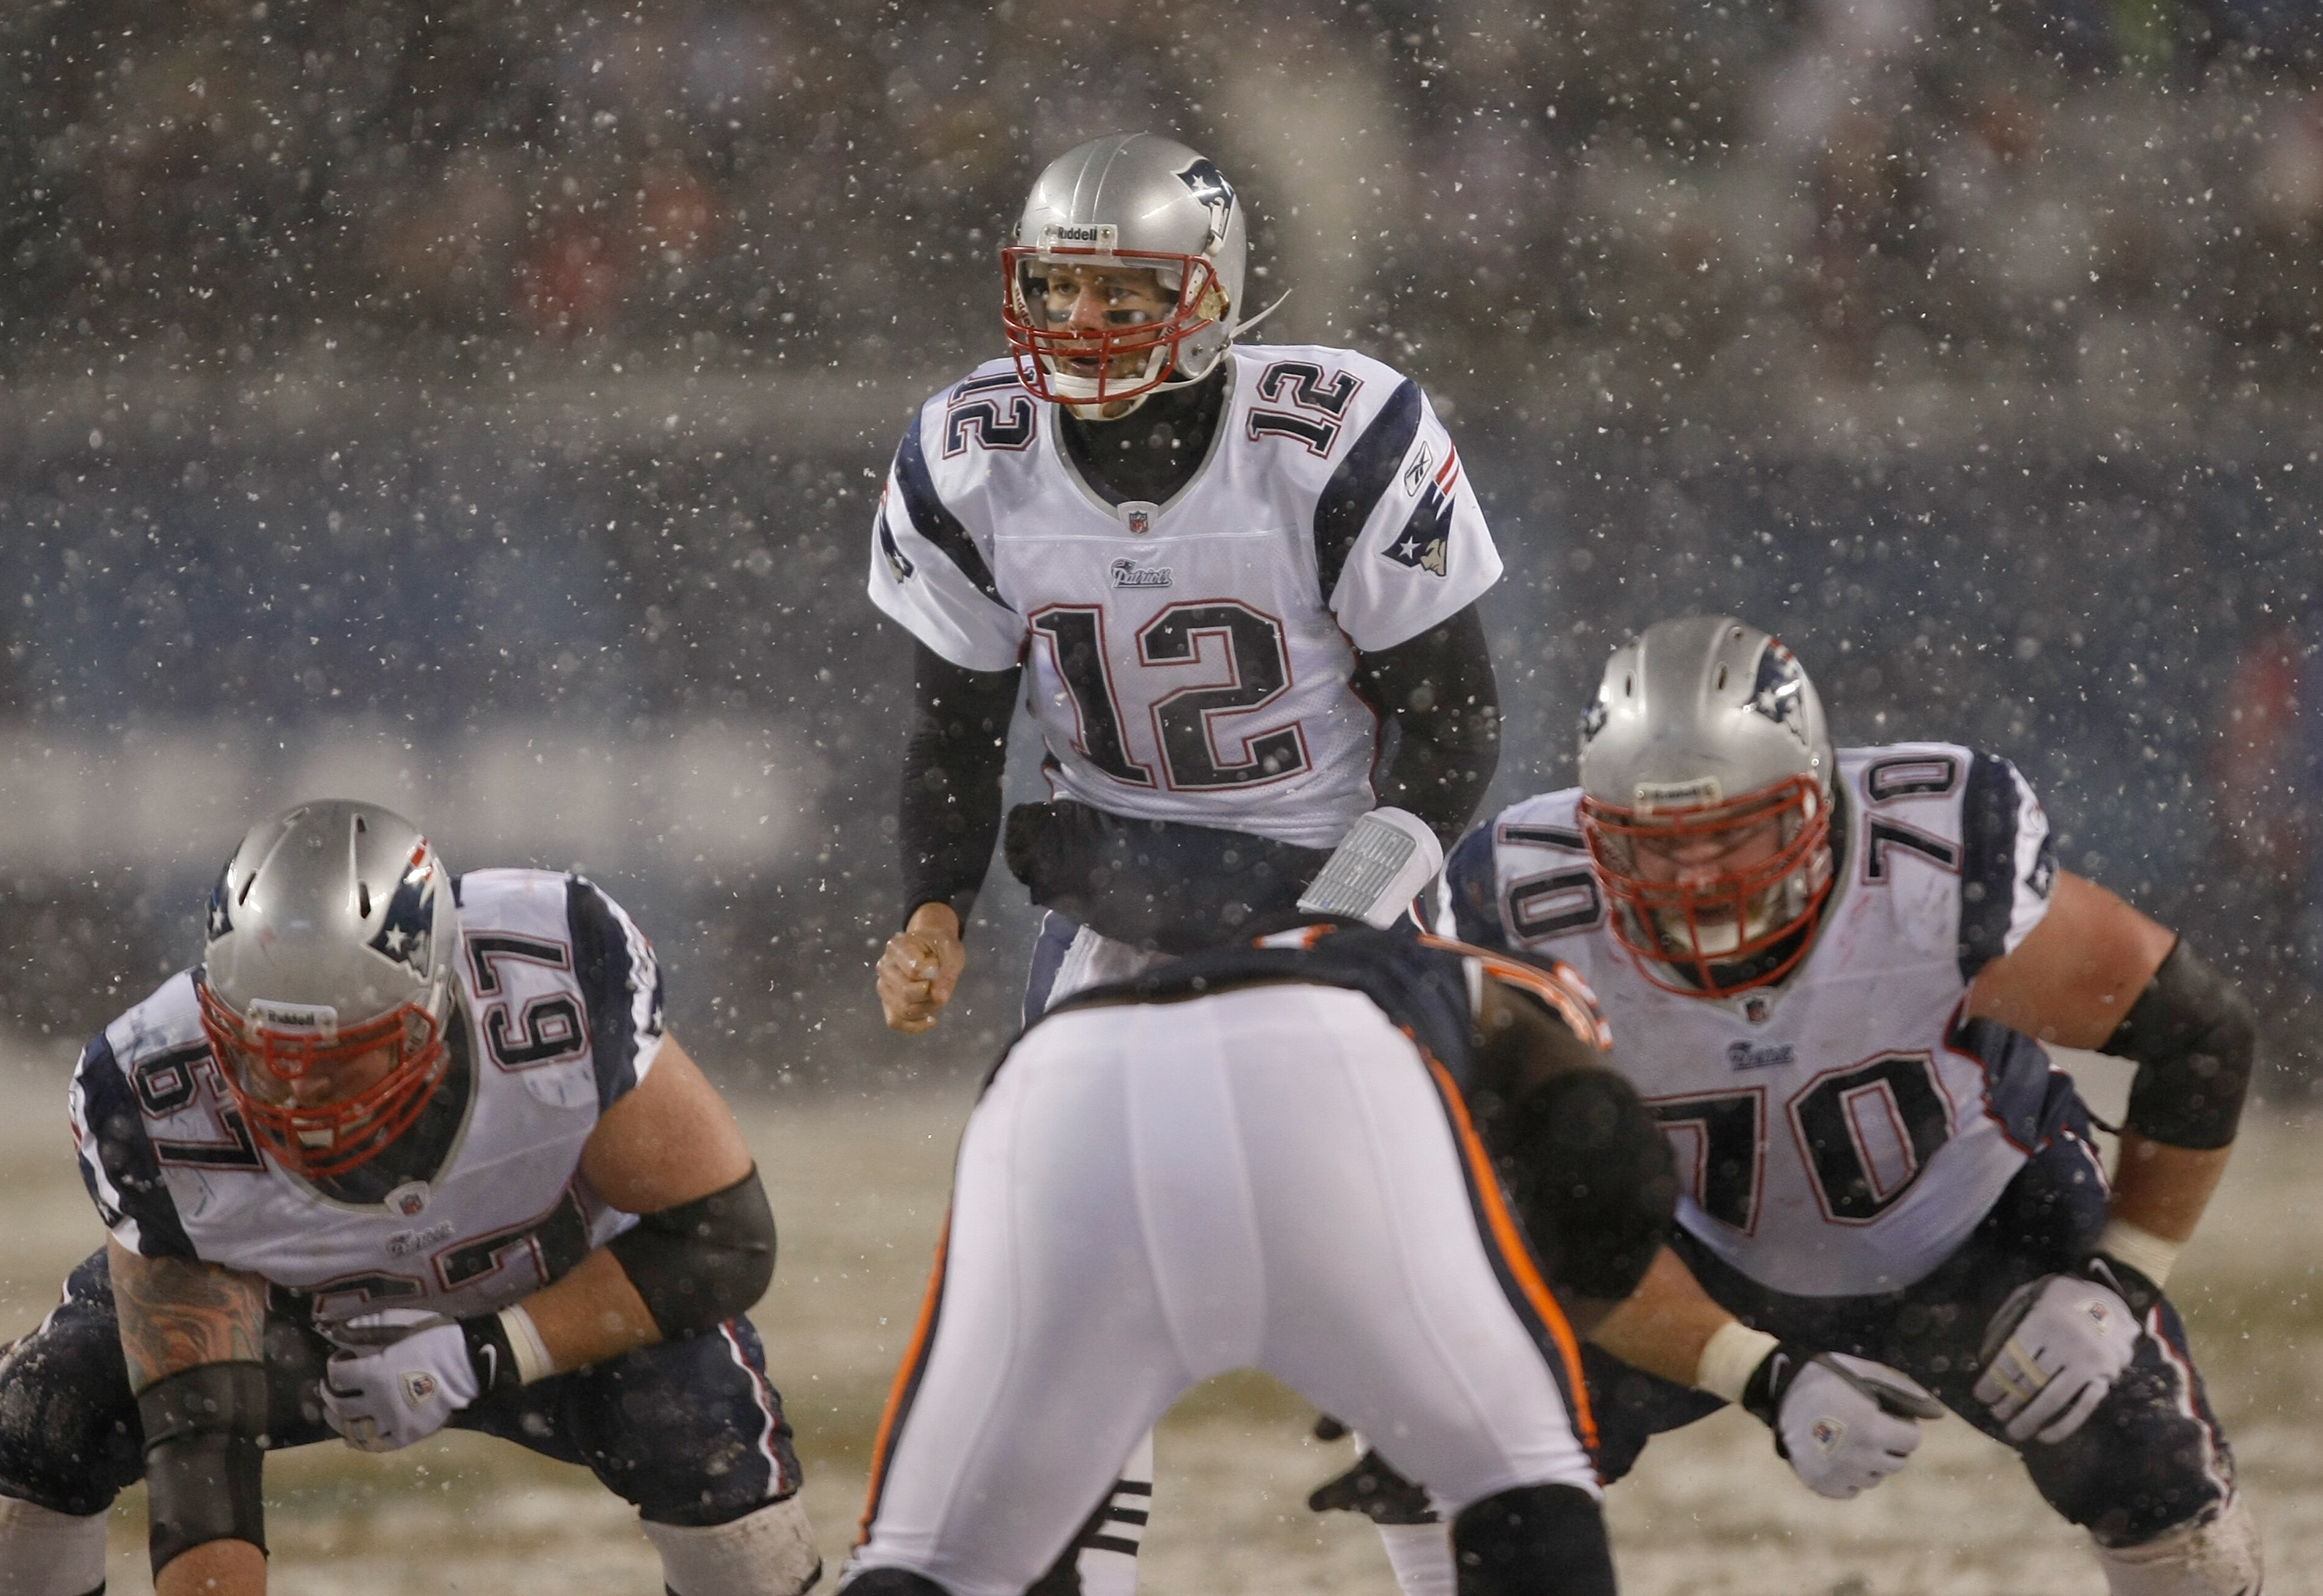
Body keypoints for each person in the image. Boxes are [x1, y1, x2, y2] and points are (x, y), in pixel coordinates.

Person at [866, 129, 1506, 1593]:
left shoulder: (1334, 431)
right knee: (1067, 1280)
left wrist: (1341, 920)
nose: (1084, 328)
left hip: (1349, 859)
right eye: (1059, 290)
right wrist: (932, 910)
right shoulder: (971, 455)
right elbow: (954, 730)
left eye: (1124, 294)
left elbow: (1454, 720)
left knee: (1400, 1281)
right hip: (1127, 887)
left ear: (1210, 295)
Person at [1316, 616, 2262, 1595]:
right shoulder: (1521, 909)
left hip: (1981, 1229)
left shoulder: (1932, 865)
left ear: (1818, 803)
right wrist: (1755, 1371)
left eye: (1736, 834)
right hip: (1692, 1247)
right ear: (1595, 837)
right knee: (1444, 1425)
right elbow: (1556, 1223)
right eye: (1658, 848)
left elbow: (2199, 1038)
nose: (1698, 880)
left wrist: (2121, 1283)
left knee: (2147, 1467)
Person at [0, 800, 819, 1596]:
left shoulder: (551, 967)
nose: (295, 1099)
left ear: (432, 1008)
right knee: (50, 1404)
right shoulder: (149, 1090)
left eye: (335, 1062)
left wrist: (488, 1352)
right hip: (292, 1322)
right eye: (259, 1057)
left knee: (708, 1440)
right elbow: (201, 1446)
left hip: (553, 1298)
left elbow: (719, 1241)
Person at [842, 853, 1685, 1596]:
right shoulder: (1498, 999)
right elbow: (1610, 1167)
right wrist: (1485, 1365)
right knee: (1525, 1483)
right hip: (1317, 1069)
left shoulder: (1346, 964)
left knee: (941, 1566)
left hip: (1062, 1073)